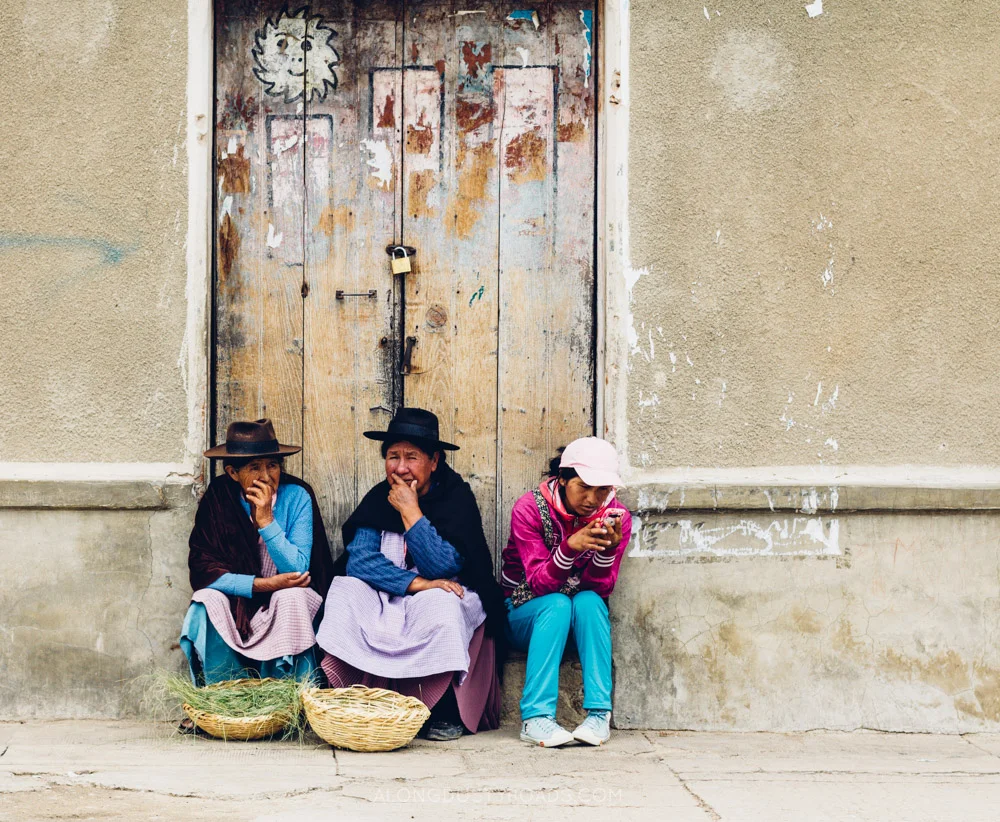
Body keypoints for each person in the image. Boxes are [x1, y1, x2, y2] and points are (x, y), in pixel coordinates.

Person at [316, 408, 507, 741]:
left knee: (441, 602)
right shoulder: (378, 498)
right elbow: (360, 562)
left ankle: (441, 710)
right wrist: (416, 584)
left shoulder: (456, 499)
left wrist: (411, 512)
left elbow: (444, 567)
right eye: (393, 456)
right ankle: (348, 697)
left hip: (446, 592)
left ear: (434, 461)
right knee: (344, 589)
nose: (400, 468)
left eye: (411, 457)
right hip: (392, 591)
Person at [179, 420, 334, 704]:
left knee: (292, 598)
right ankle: (224, 697)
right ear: (233, 473)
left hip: (285, 593)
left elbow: (297, 569)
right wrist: (260, 585)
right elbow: (204, 569)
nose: (266, 476)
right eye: (254, 468)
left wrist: (266, 520)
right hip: (242, 596)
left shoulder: (297, 496)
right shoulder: (219, 498)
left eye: (272, 466)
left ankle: (291, 701)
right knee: (205, 599)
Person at [501, 437, 632, 747]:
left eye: (602, 490)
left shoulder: (616, 517)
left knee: (588, 601)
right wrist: (570, 547)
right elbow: (537, 583)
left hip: (578, 620)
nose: (592, 498)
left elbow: (601, 588)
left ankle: (599, 714)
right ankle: (536, 717)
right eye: (583, 487)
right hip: (524, 615)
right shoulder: (529, 509)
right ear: (562, 479)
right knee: (557, 604)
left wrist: (606, 551)